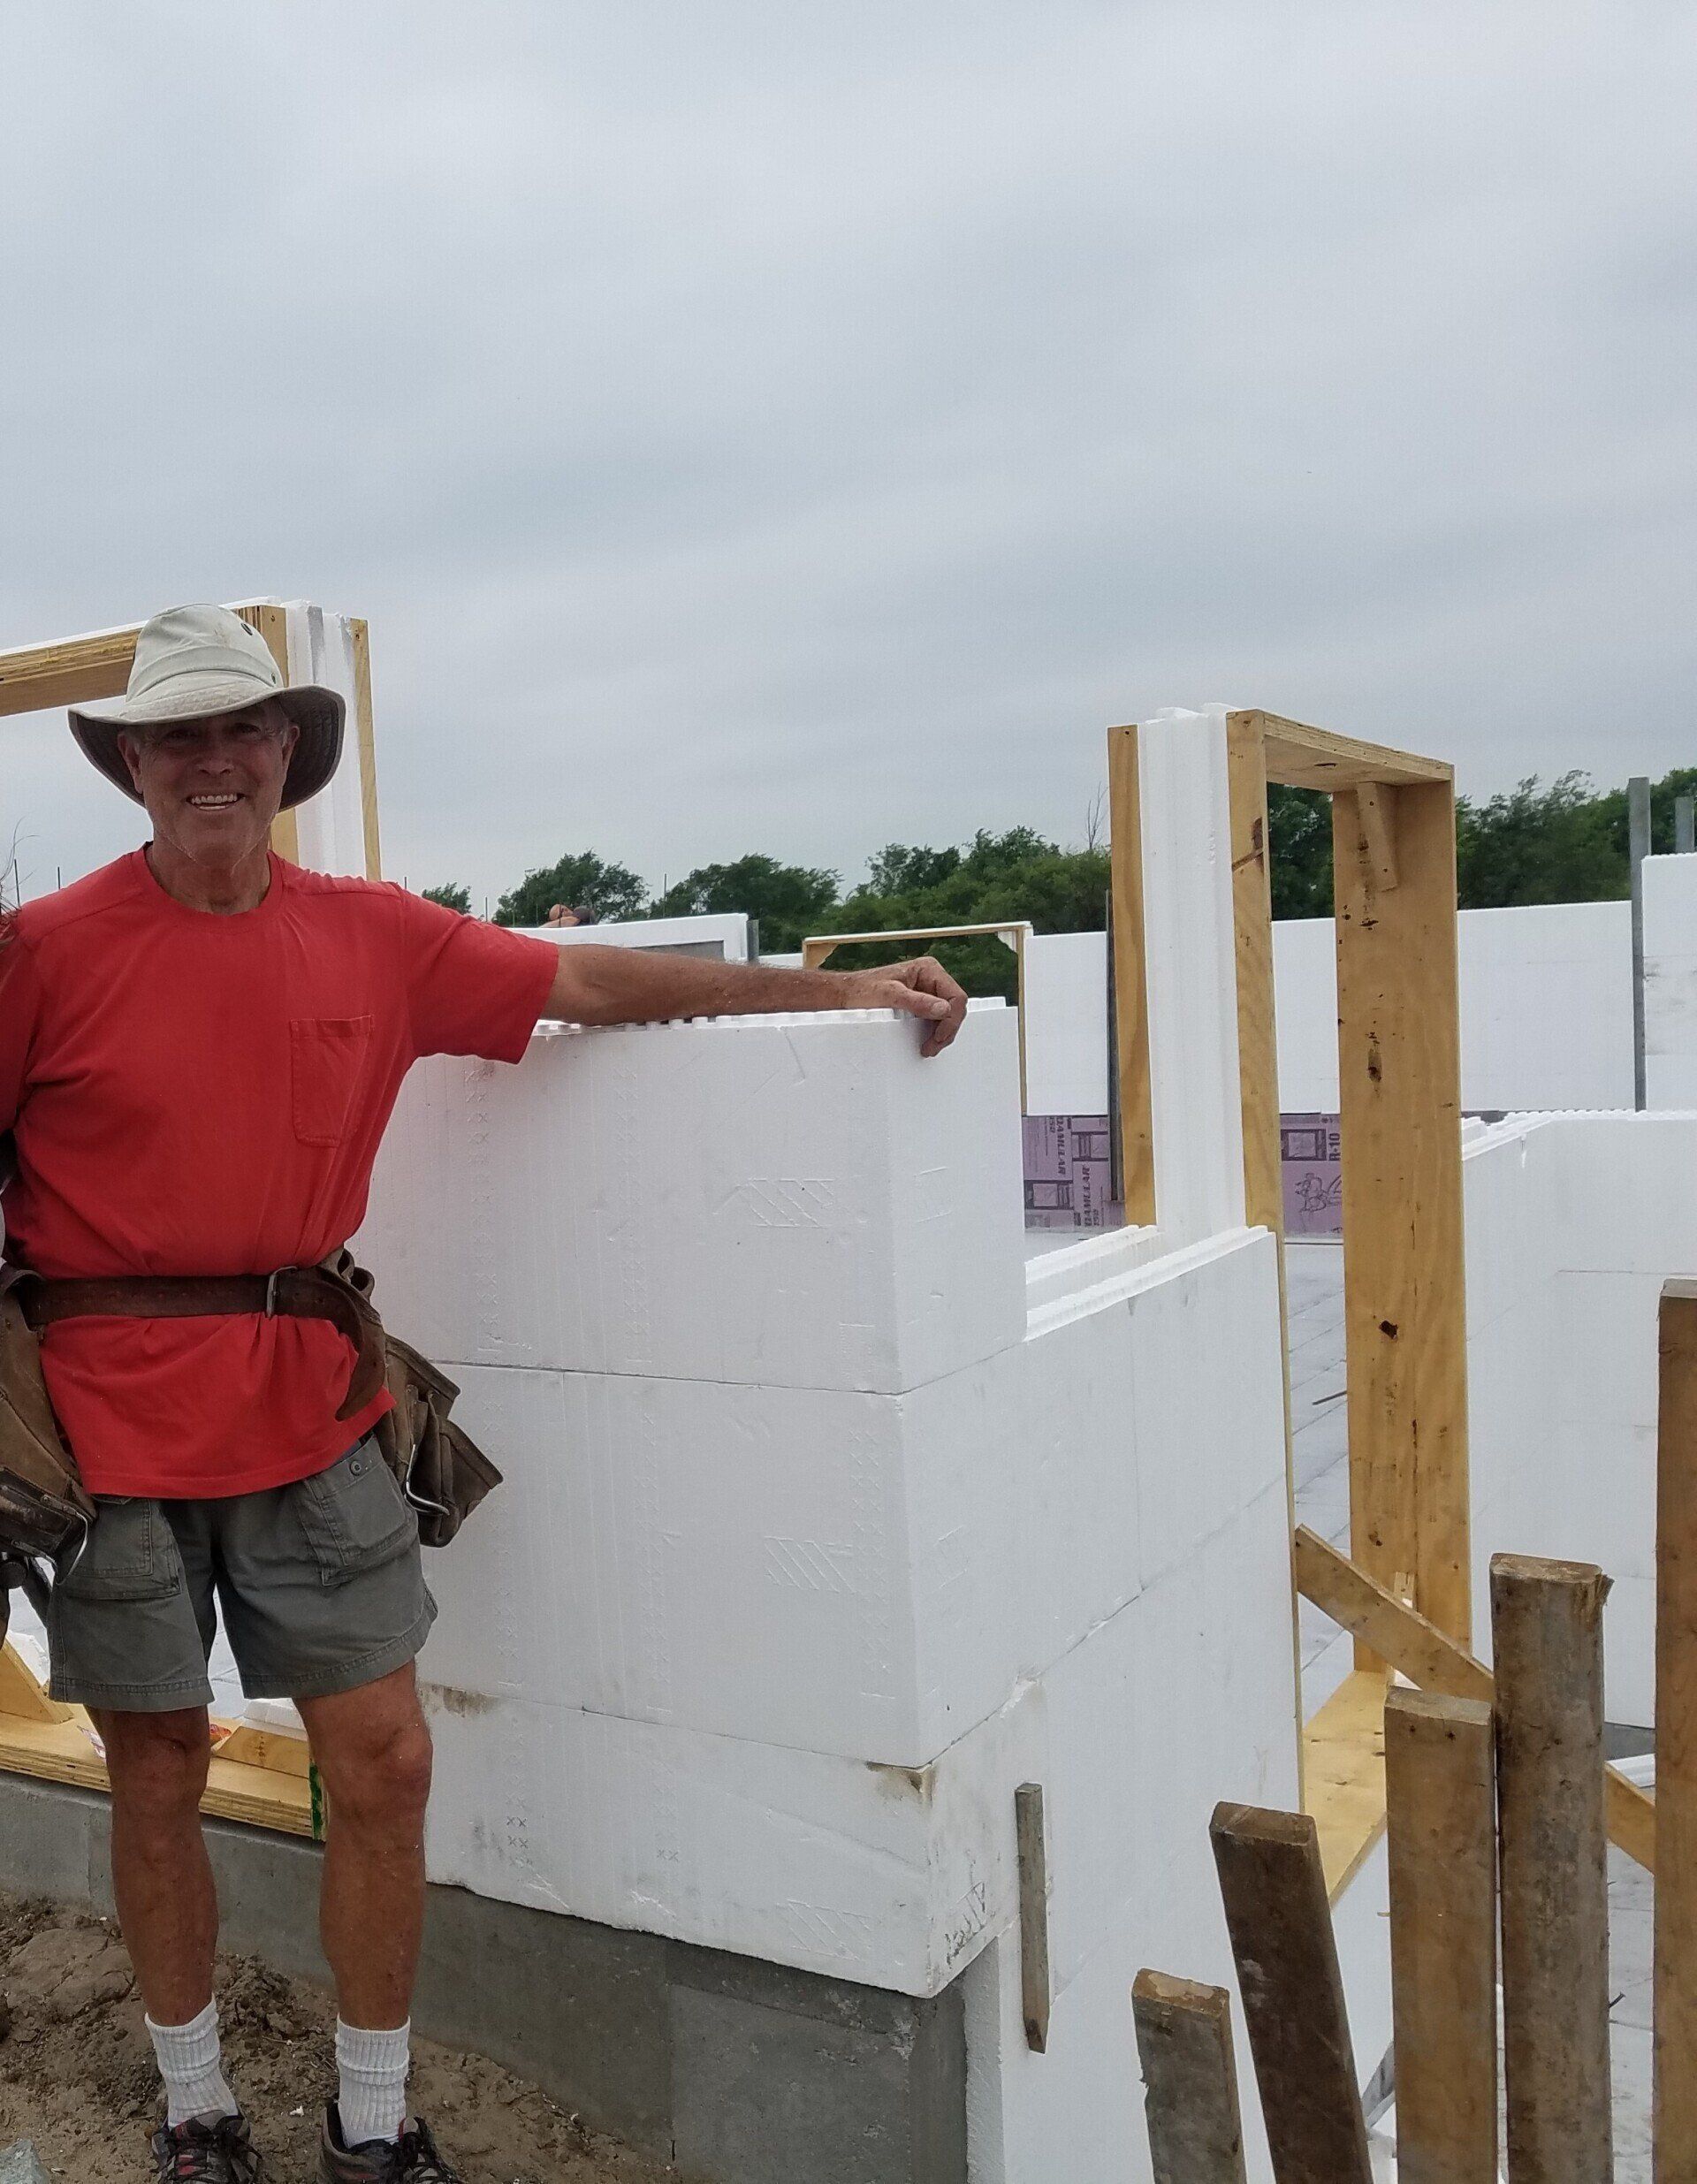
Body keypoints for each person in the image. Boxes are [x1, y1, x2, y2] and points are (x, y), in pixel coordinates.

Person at [0, 605, 967, 2184]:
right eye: (177, 736)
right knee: (156, 1763)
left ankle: (372, 2125)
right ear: (133, 769)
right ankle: (195, 2110)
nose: (213, 761)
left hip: (310, 1404)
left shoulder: (375, 933)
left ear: (283, 754)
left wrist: (828, 993)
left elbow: (587, 982)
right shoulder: (42, 955)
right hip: (99, 1424)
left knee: (384, 1759)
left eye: (241, 731)